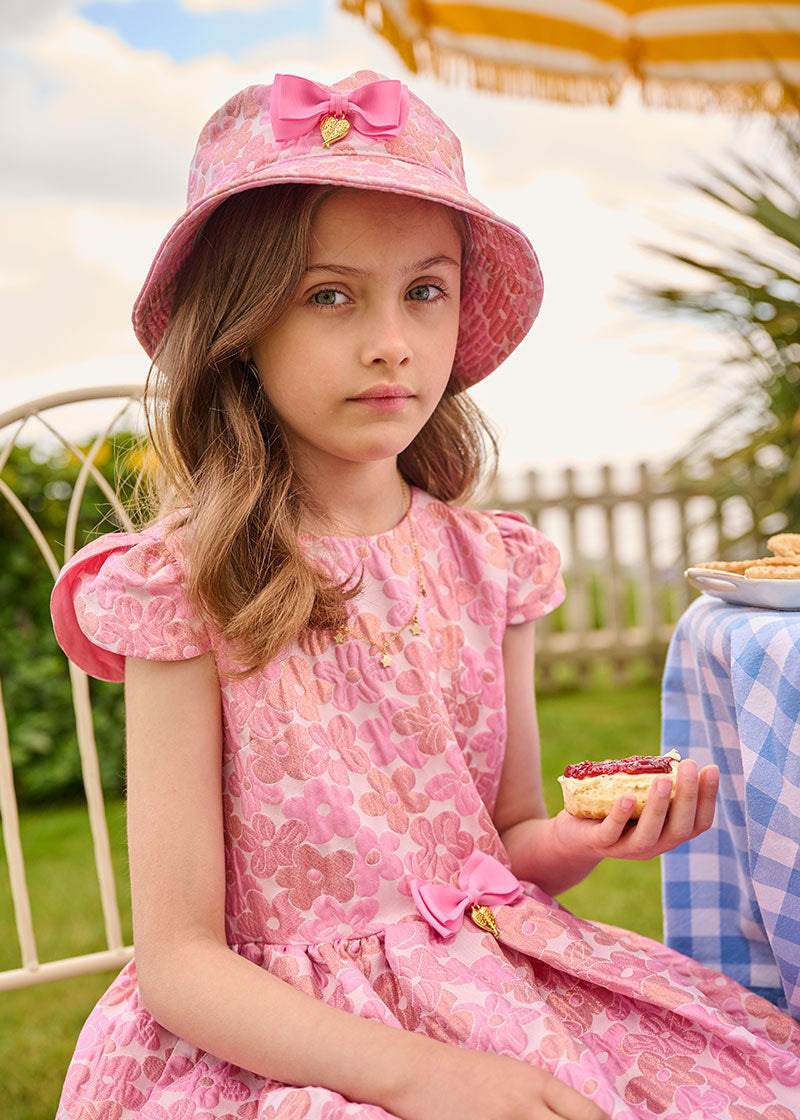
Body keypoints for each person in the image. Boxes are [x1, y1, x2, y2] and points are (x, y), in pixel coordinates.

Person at [50, 71, 800, 1120]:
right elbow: (179, 964)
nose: (391, 341)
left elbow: (506, 842)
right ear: (239, 324)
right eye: (328, 294)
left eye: (424, 289)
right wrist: (422, 1075)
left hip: (493, 983)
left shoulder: (489, 565)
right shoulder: (187, 585)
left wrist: (583, 839)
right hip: (279, 1036)